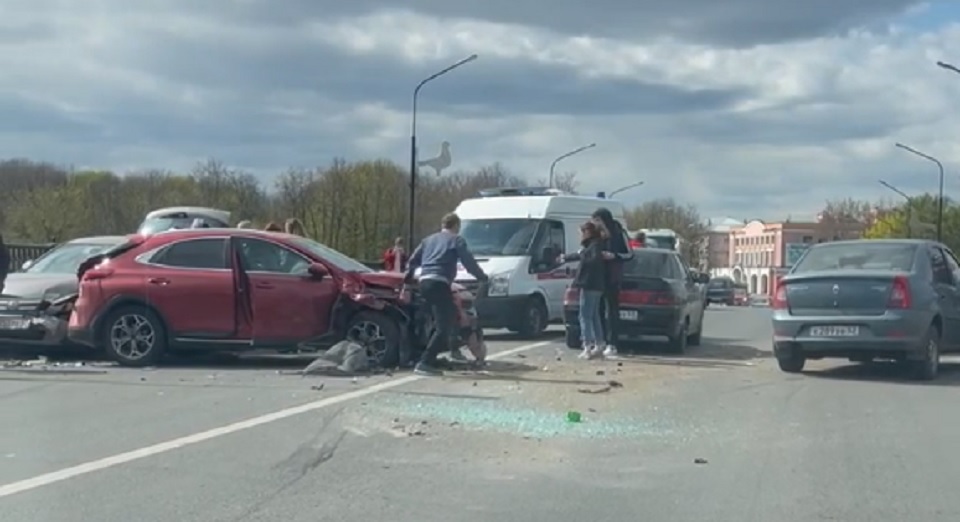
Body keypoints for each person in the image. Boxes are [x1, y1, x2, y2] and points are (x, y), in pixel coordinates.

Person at [404, 213, 488, 376]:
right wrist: (482, 277)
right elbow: (468, 261)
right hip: (439, 283)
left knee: (435, 322)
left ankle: (429, 357)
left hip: (424, 283)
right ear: (456, 226)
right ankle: (425, 362)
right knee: (447, 324)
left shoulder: (427, 240)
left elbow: (412, 261)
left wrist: (407, 283)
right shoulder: (456, 240)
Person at [591, 207, 633, 357]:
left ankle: (613, 343)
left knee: (612, 310)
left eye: (598, 220)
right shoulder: (596, 235)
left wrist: (614, 256)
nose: (596, 224)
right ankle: (599, 341)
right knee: (597, 310)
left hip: (612, 277)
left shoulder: (618, 233)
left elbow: (629, 254)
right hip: (597, 276)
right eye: (594, 220)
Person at [568, 222, 607, 359]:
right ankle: (599, 344)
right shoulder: (596, 244)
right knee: (594, 315)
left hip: (589, 284)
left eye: (581, 232)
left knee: (584, 316)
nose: (580, 236)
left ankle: (587, 346)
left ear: (587, 232)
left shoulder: (593, 246)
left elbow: (591, 260)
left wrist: (583, 254)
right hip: (597, 285)